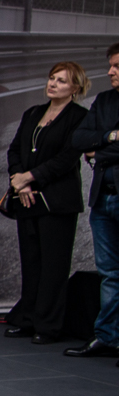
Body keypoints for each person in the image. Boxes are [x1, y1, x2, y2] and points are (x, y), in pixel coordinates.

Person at [3, 63, 90, 343]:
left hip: (57, 202)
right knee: (31, 262)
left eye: (62, 81)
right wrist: (20, 181)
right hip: (27, 198)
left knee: (54, 265)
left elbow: (67, 158)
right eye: (52, 78)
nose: (53, 84)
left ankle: (48, 326)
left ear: (75, 88)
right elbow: (15, 150)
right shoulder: (33, 113)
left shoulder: (80, 117)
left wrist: (30, 177)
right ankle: (27, 319)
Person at [67, 43, 119, 358]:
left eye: (117, 66)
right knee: (110, 273)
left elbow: (92, 147)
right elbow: (79, 138)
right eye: (110, 65)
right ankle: (107, 337)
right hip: (103, 197)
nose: (110, 71)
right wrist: (111, 137)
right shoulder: (104, 101)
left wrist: (99, 152)